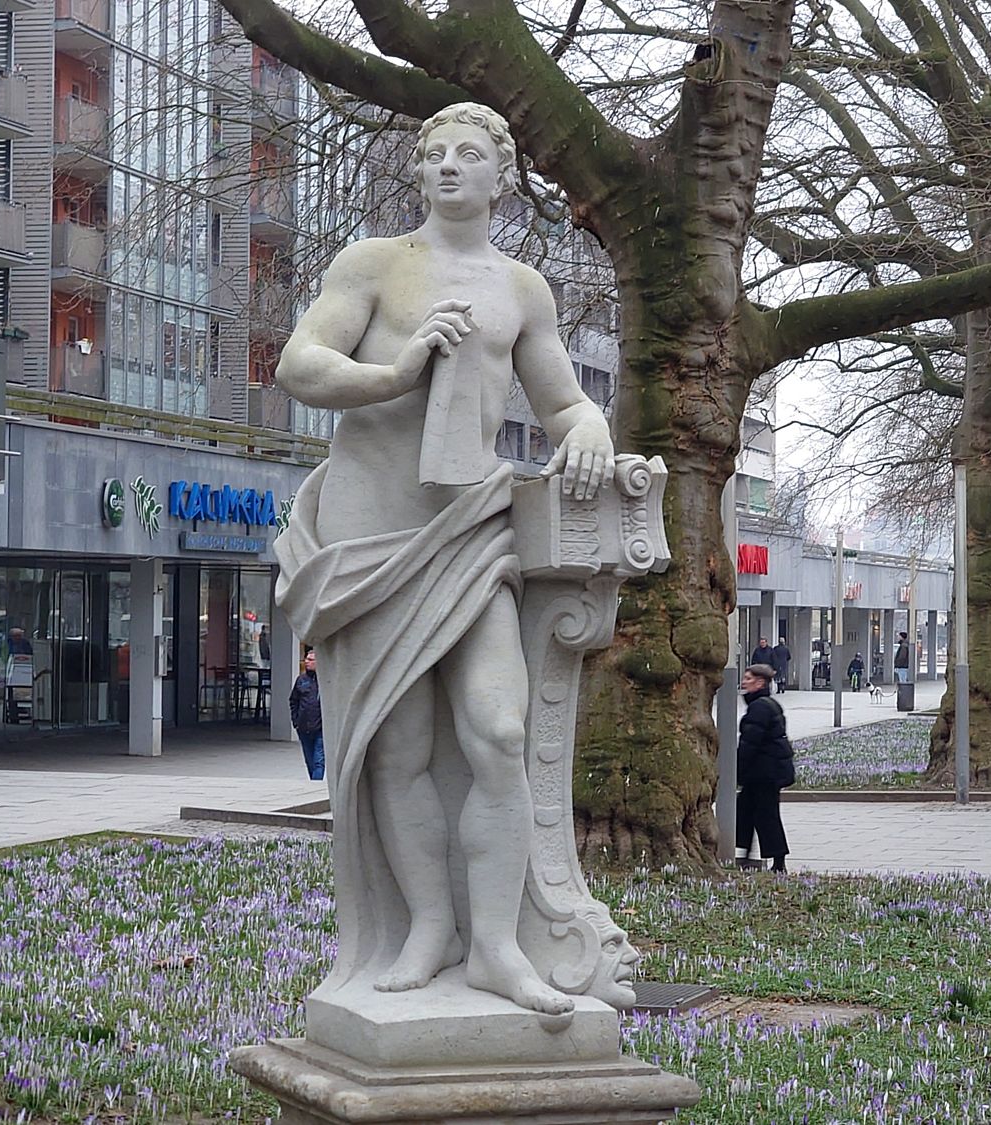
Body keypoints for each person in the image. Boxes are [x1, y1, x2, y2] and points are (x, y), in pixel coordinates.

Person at [274, 102, 616, 1015]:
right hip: (371, 534)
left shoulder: (523, 288)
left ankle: (498, 946)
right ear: (418, 176)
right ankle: (430, 925)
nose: (453, 167)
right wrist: (395, 374)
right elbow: (300, 366)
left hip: (470, 530)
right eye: (437, 156)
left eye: (472, 155)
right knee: (400, 749)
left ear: (502, 178)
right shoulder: (377, 265)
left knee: (500, 733)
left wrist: (591, 427)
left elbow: (563, 402)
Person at [733, 663, 794, 872]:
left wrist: (737, 770)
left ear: (760, 683)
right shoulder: (768, 704)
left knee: (766, 815)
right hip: (763, 772)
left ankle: (778, 862)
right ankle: (745, 854)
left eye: (748, 678)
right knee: (745, 810)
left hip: (764, 773)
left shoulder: (759, 707)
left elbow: (750, 743)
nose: (744, 682)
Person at [289, 649, 324, 780]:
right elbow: (293, 701)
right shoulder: (301, 680)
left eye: (310, 660)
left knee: (318, 760)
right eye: (306, 659)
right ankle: (313, 783)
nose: (306, 662)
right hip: (304, 727)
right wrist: (296, 721)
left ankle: (316, 785)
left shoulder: (325, 681)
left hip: (321, 728)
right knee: (310, 761)